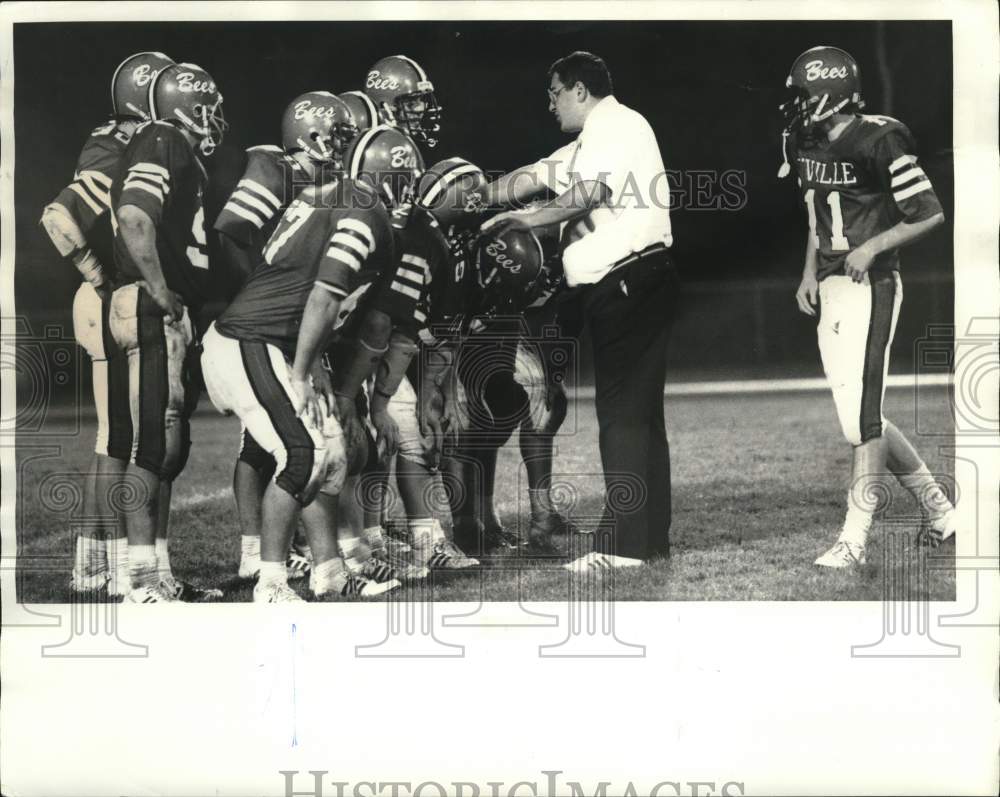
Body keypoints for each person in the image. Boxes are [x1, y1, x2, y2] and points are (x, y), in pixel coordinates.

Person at [483, 51, 677, 572]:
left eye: (554, 93)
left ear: (579, 91)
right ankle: (646, 536)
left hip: (628, 279)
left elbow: (587, 194)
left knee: (622, 415)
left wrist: (524, 223)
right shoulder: (598, 138)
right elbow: (531, 177)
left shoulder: (615, 123)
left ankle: (624, 547)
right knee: (637, 414)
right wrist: (474, 198)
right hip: (635, 280)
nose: (549, 104)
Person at [780, 46, 956, 566]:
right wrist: (809, 271)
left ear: (829, 96)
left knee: (863, 422)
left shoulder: (881, 137)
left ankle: (854, 540)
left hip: (872, 283)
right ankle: (942, 514)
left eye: (801, 95)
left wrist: (871, 246)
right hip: (832, 283)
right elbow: (815, 212)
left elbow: (928, 213)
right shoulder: (803, 138)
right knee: (863, 417)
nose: (793, 106)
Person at [41, 51, 175, 598]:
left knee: (116, 439)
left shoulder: (121, 141)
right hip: (109, 299)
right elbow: (60, 216)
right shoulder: (115, 145)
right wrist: (97, 274)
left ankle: (97, 565)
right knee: (121, 439)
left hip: (112, 299)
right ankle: (109, 567)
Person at [213, 91, 357, 581]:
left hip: (295, 326)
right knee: (263, 444)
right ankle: (255, 552)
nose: (344, 145)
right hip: (263, 325)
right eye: (338, 134)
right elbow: (233, 229)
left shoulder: (330, 185)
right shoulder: (276, 168)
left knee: (285, 440)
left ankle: (306, 555)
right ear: (310, 135)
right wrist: (258, 289)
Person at [109, 62, 227, 603]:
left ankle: (158, 574)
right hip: (150, 306)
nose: (215, 118)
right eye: (208, 106)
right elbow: (135, 217)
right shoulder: (163, 139)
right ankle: (138, 580)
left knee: (169, 446)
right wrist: (160, 291)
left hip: (165, 309)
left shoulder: (176, 151)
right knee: (152, 442)